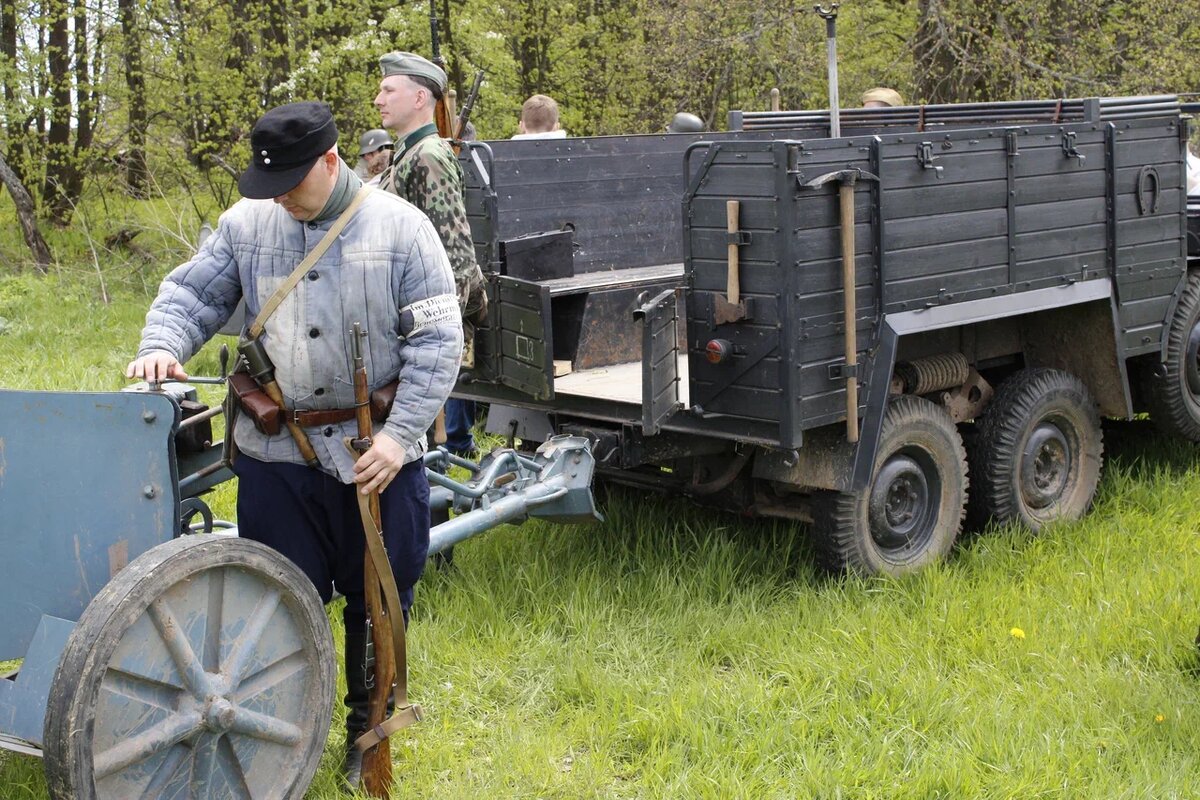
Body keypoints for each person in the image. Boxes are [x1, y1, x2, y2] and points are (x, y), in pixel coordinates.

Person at [125, 100, 462, 788]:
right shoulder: (244, 226)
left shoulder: (403, 230)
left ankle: (363, 737)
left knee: (379, 603)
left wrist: (400, 440)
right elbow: (192, 296)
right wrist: (162, 345)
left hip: (377, 458)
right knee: (280, 604)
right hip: (278, 458)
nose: (277, 197)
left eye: (290, 183)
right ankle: (285, 735)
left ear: (331, 161)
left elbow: (439, 341)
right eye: (268, 184)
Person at [374, 51, 488, 456]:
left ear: (420, 98)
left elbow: (456, 253)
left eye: (388, 89)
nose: (378, 98)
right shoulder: (406, 154)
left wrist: (442, 340)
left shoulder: (427, 156)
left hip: (426, 316)